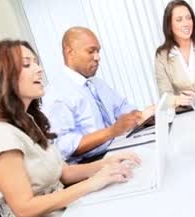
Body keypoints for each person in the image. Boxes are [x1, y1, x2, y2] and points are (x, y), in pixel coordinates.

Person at [0, 40, 140, 217]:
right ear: (3, 77)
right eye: (27, 64)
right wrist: (92, 184)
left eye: (36, 62)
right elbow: (24, 209)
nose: (39, 68)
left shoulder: (28, 120)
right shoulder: (0, 135)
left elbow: (62, 172)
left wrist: (107, 163)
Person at [42, 27, 154, 163]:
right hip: (90, 163)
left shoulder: (96, 83)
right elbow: (63, 146)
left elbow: (121, 107)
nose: (97, 57)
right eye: (91, 51)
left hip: (118, 146)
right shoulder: (56, 93)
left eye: (98, 51)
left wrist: (141, 117)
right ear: (69, 52)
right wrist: (112, 131)